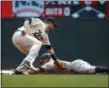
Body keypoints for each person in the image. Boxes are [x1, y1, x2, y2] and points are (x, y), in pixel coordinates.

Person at [28, 53, 109, 74]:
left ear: (46, 59)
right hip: (74, 68)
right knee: (94, 72)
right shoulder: (49, 66)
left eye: (42, 61)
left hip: (75, 66)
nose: (42, 63)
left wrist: (27, 69)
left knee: (91, 69)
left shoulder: (49, 63)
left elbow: (36, 71)